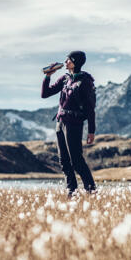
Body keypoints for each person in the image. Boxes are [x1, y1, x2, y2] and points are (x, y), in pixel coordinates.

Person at [42, 50, 97, 196]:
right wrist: (48, 77)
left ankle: (91, 190)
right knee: (64, 161)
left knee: (76, 160)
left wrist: (91, 131)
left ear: (75, 62)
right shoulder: (65, 79)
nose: (65, 62)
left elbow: (90, 109)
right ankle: (71, 192)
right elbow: (45, 94)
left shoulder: (85, 81)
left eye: (68, 60)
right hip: (60, 123)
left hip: (74, 124)